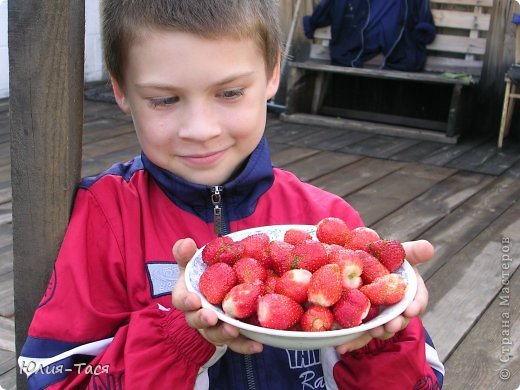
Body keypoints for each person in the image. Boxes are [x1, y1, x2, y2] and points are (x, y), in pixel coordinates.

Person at [18, 0, 444, 388]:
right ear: (121, 90)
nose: (201, 129)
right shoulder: (108, 218)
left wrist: (385, 325)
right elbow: (53, 377)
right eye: (165, 99)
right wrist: (179, 336)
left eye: (230, 92)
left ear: (273, 73)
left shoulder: (328, 225)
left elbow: (423, 381)